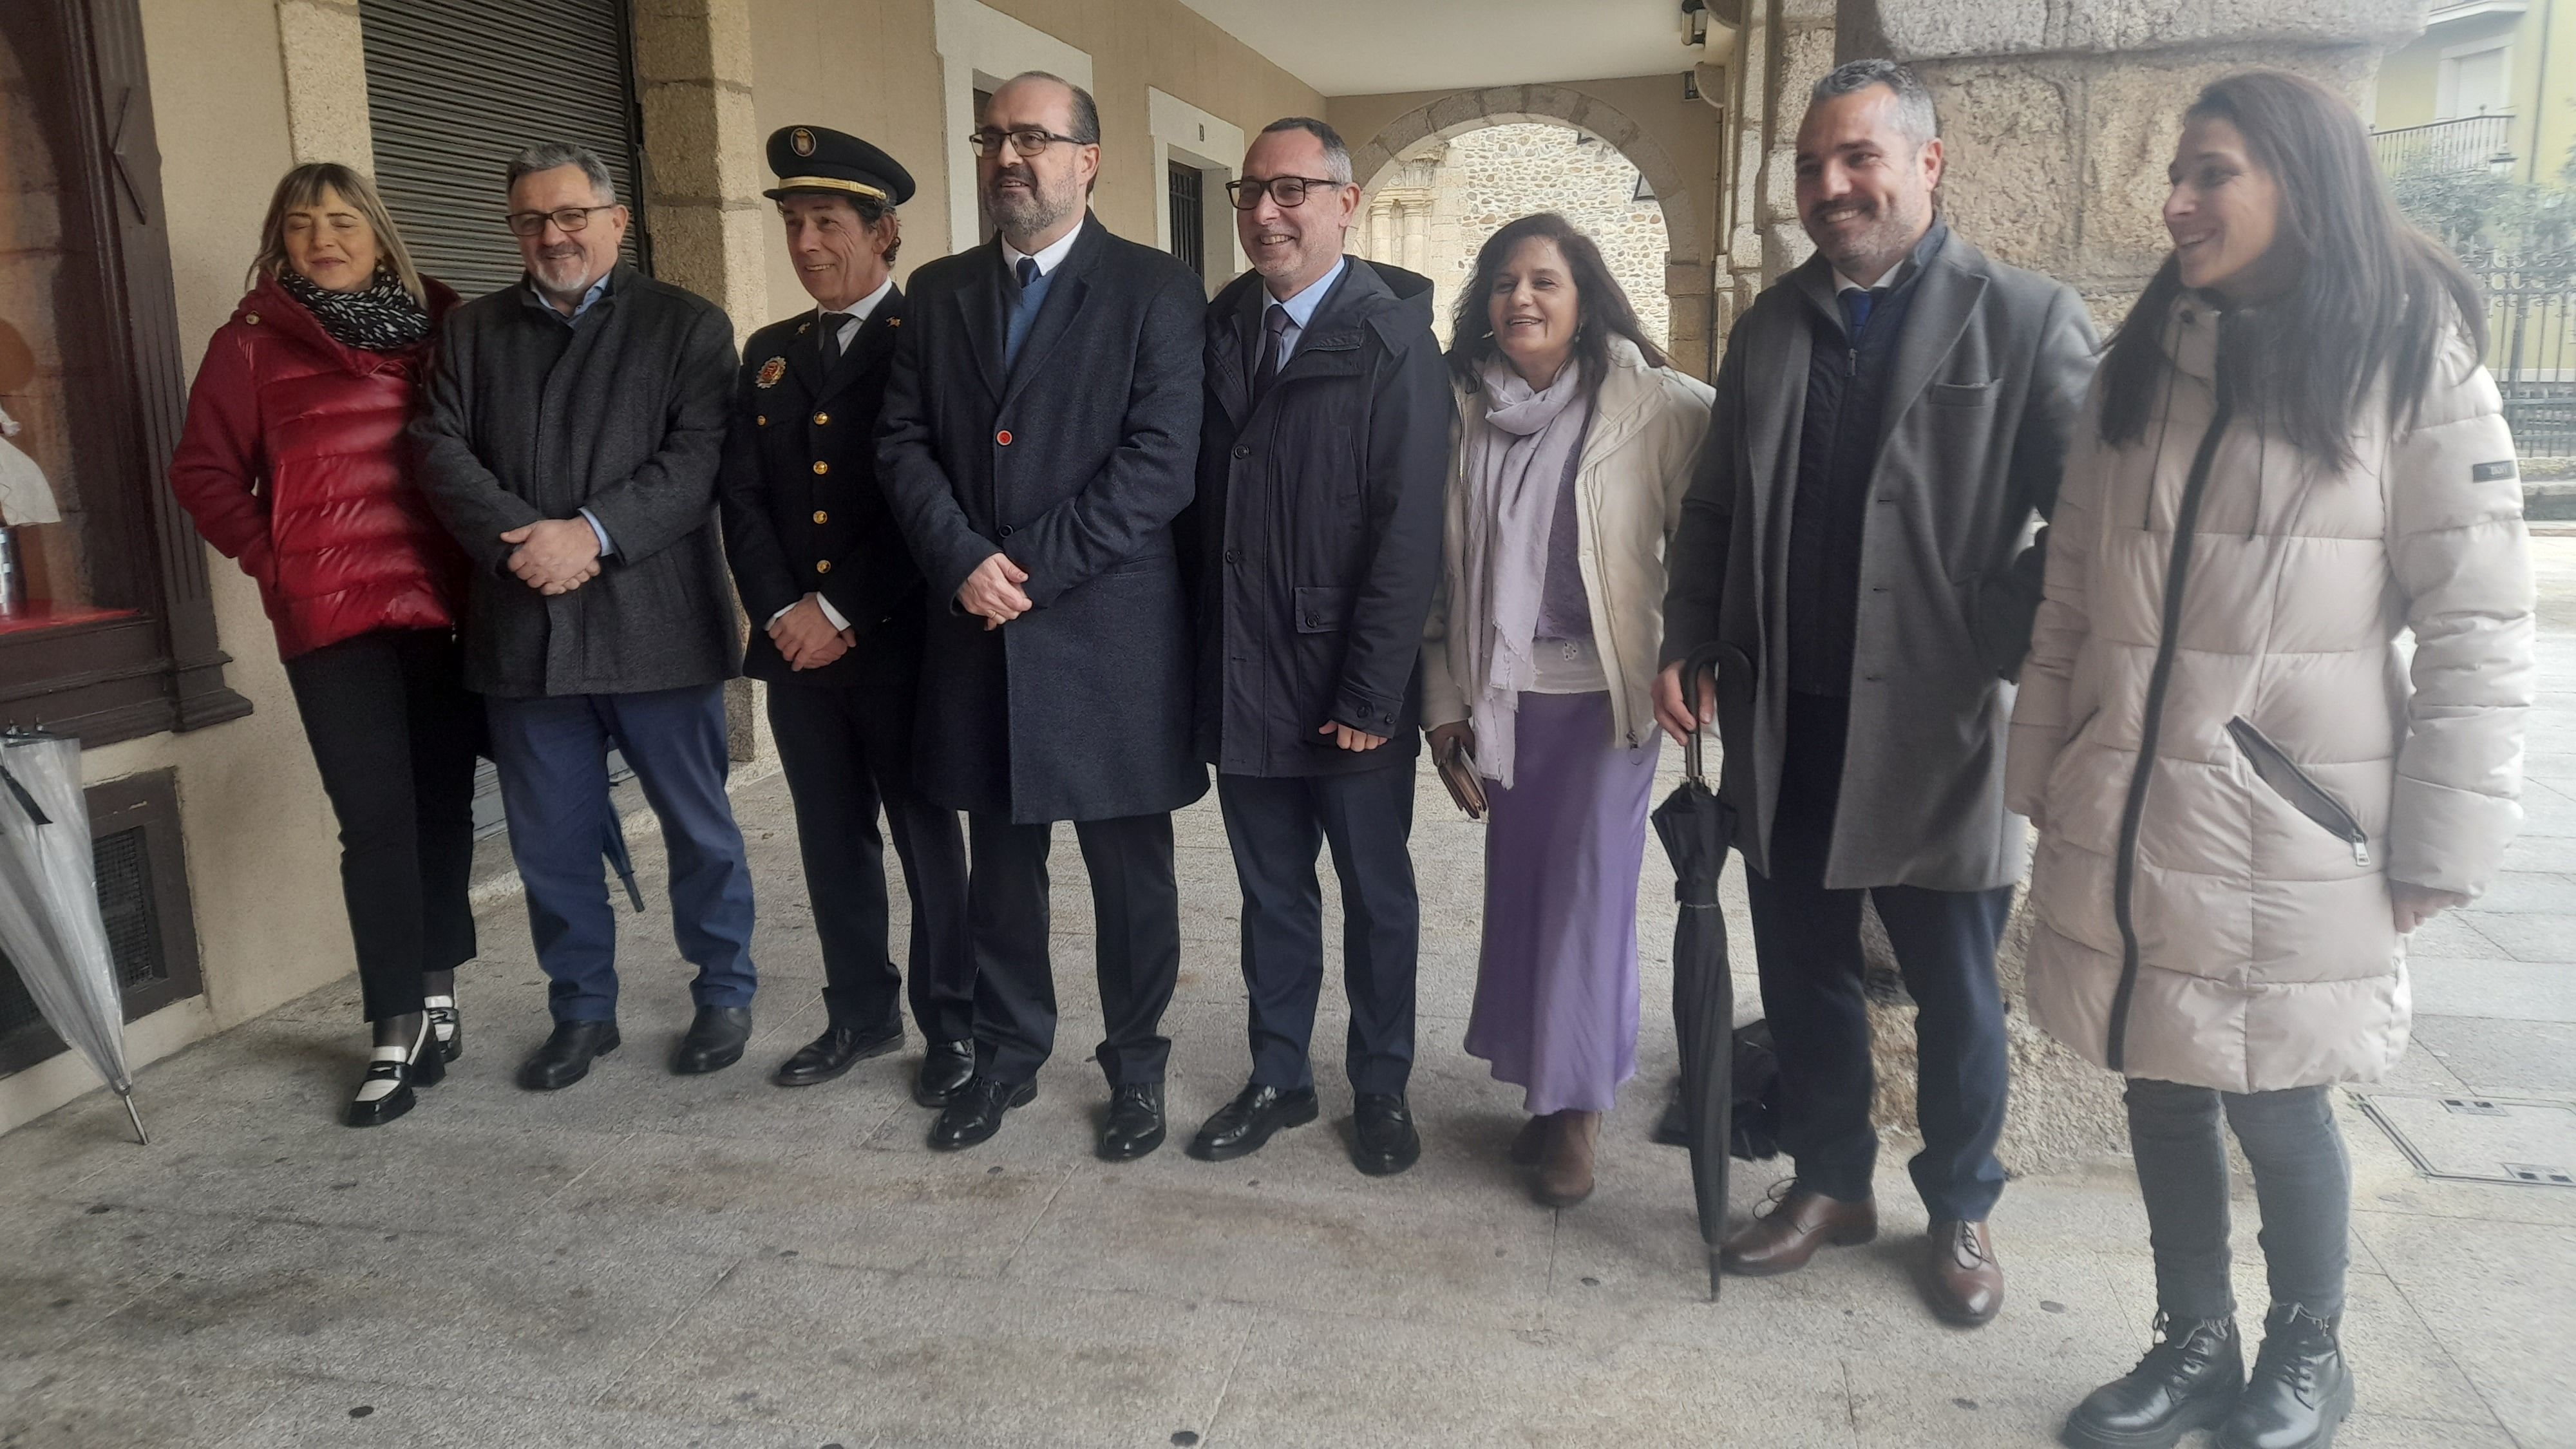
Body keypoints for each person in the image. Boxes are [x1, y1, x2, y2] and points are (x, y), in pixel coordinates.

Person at [2011, 71, 2531, 1449]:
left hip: (2289, 817)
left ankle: (2311, 1350)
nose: (2174, 203)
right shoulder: (2147, 351)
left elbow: (2478, 623)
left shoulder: (2407, 356)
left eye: (2209, 172)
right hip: (2127, 796)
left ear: (2298, 178)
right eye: (2175, 175)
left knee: (2280, 1100)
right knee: (2159, 1076)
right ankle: (2191, 1341)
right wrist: (2041, 775)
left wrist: (2437, 846)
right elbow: (2068, 589)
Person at [1654, 59, 2098, 1324]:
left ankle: (1958, 1205)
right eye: (1808, 166)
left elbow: (2082, 521)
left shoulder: (2019, 318)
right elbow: (1712, 507)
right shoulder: (1770, 323)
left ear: (1925, 165)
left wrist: (1987, 633)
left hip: (1935, 728)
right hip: (1781, 716)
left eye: (1856, 159)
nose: (1829, 186)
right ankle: (1830, 1184)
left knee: (1955, 990)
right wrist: (1687, 633)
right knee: (1799, 972)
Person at [877, 73, 1206, 1157]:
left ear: (1088, 159)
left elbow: (1160, 466)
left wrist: (1024, 567)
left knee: (1129, 872)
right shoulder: (935, 290)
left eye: (1034, 138)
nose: (1009, 156)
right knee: (1003, 870)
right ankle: (1010, 1057)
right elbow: (903, 443)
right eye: (994, 137)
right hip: (976, 628)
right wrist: (965, 560)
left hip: (1107, 635)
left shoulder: (1157, 289)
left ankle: (1137, 1065)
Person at [413, 142, 756, 1092]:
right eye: (531, 219)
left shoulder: (687, 326)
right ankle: (582, 1011)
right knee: (550, 841)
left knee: (699, 828)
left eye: (571, 216)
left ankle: (724, 989)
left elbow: (696, 463)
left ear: (618, 221)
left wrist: (592, 535)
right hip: (525, 631)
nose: (553, 235)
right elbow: (437, 449)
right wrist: (525, 540)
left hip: (658, 627)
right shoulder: (473, 333)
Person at [169, 162, 477, 1129]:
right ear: (282, 242)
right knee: (373, 818)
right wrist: (280, 562)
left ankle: (437, 989)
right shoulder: (249, 347)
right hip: (331, 620)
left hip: (444, 608)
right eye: (302, 225)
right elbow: (204, 473)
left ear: (380, 237)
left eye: (343, 221)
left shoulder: (443, 333)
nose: (323, 239)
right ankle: (391, 1024)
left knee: (442, 803)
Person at [1422, 213, 1713, 1207]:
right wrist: (1442, 704)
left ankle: (1579, 1111)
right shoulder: (1461, 409)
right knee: (1528, 896)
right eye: (1504, 282)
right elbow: (1440, 572)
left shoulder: (1655, 406)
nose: (1522, 300)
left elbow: (1710, 541)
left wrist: (1693, 651)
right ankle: (1545, 1091)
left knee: (1589, 898)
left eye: (1545, 280)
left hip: (1606, 701)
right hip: (1506, 695)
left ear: (1585, 295)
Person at [1184, 118, 1447, 1176]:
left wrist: (1374, 693)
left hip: (1349, 689)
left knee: (1378, 898)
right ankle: (1280, 1076)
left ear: (1346, 203)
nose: (1265, 211)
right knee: (1272, 894)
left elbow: (1409, 535)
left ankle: (1380, 1085)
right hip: (1246, 676)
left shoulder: (1393, 344)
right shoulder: (1222, 325)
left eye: (1292, 190)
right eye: (1252, 190)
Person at [720, 126, 976, 1106]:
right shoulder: (771, 354)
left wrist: (838, 606)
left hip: (900, 642)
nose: (807, 244)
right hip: (799, 651)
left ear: (886, 233)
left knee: (925, 840)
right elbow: (742, 498)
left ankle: (950, 1023)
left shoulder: (933, 342)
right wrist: (784, 609)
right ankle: (860, 1014)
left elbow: (936, 500)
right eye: (792, 223)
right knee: (832, 839)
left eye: (827, 222)